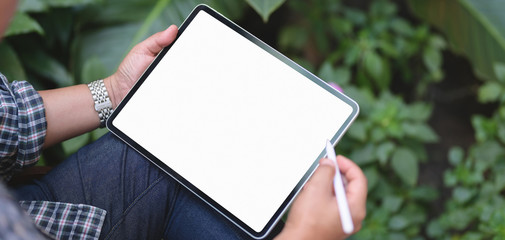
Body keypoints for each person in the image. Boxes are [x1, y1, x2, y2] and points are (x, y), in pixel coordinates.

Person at [0, 0, 367, 239]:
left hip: (40, 212)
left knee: (191, 159)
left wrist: (114, 92)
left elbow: (7, 119)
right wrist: (307, 234)